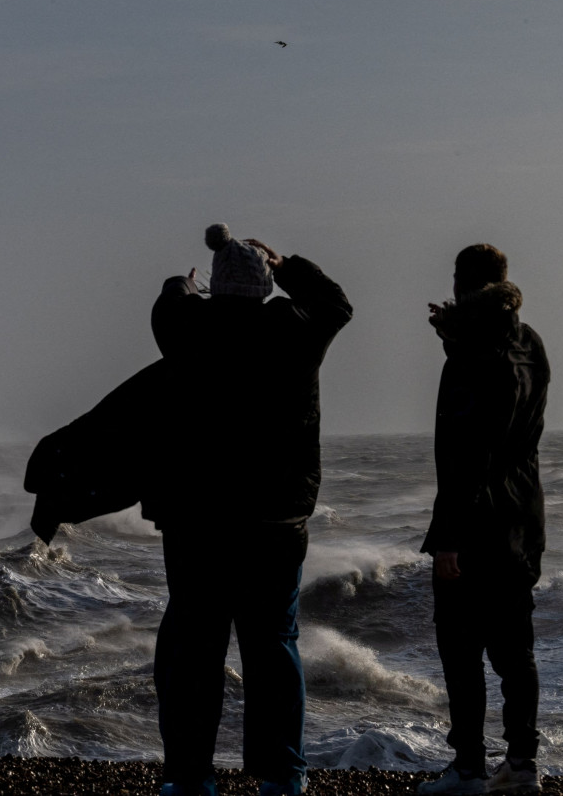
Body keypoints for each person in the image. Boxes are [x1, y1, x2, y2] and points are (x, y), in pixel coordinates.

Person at [148, 224, 352, 796]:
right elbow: (337, 303)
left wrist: (183, 284)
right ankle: (282, 775)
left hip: (198, 523)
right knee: (273, 648)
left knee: (194, 650)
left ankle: (191, 779)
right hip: (275, 523)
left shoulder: (187, 326)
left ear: (216, 288)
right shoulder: (296, 329)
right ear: (264, 288)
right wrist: (285, 264)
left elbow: (169, 303)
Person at [416, 244, 550, 795]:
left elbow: (466, 453)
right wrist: (457, 334)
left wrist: (446, 536)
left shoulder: (473, 356)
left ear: (461, 286)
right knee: (516, 652)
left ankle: (469, 767)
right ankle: (521, 764)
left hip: (475, 523)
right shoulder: (528, 342)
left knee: (461, 650)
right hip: (522, 518)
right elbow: (510, 414)